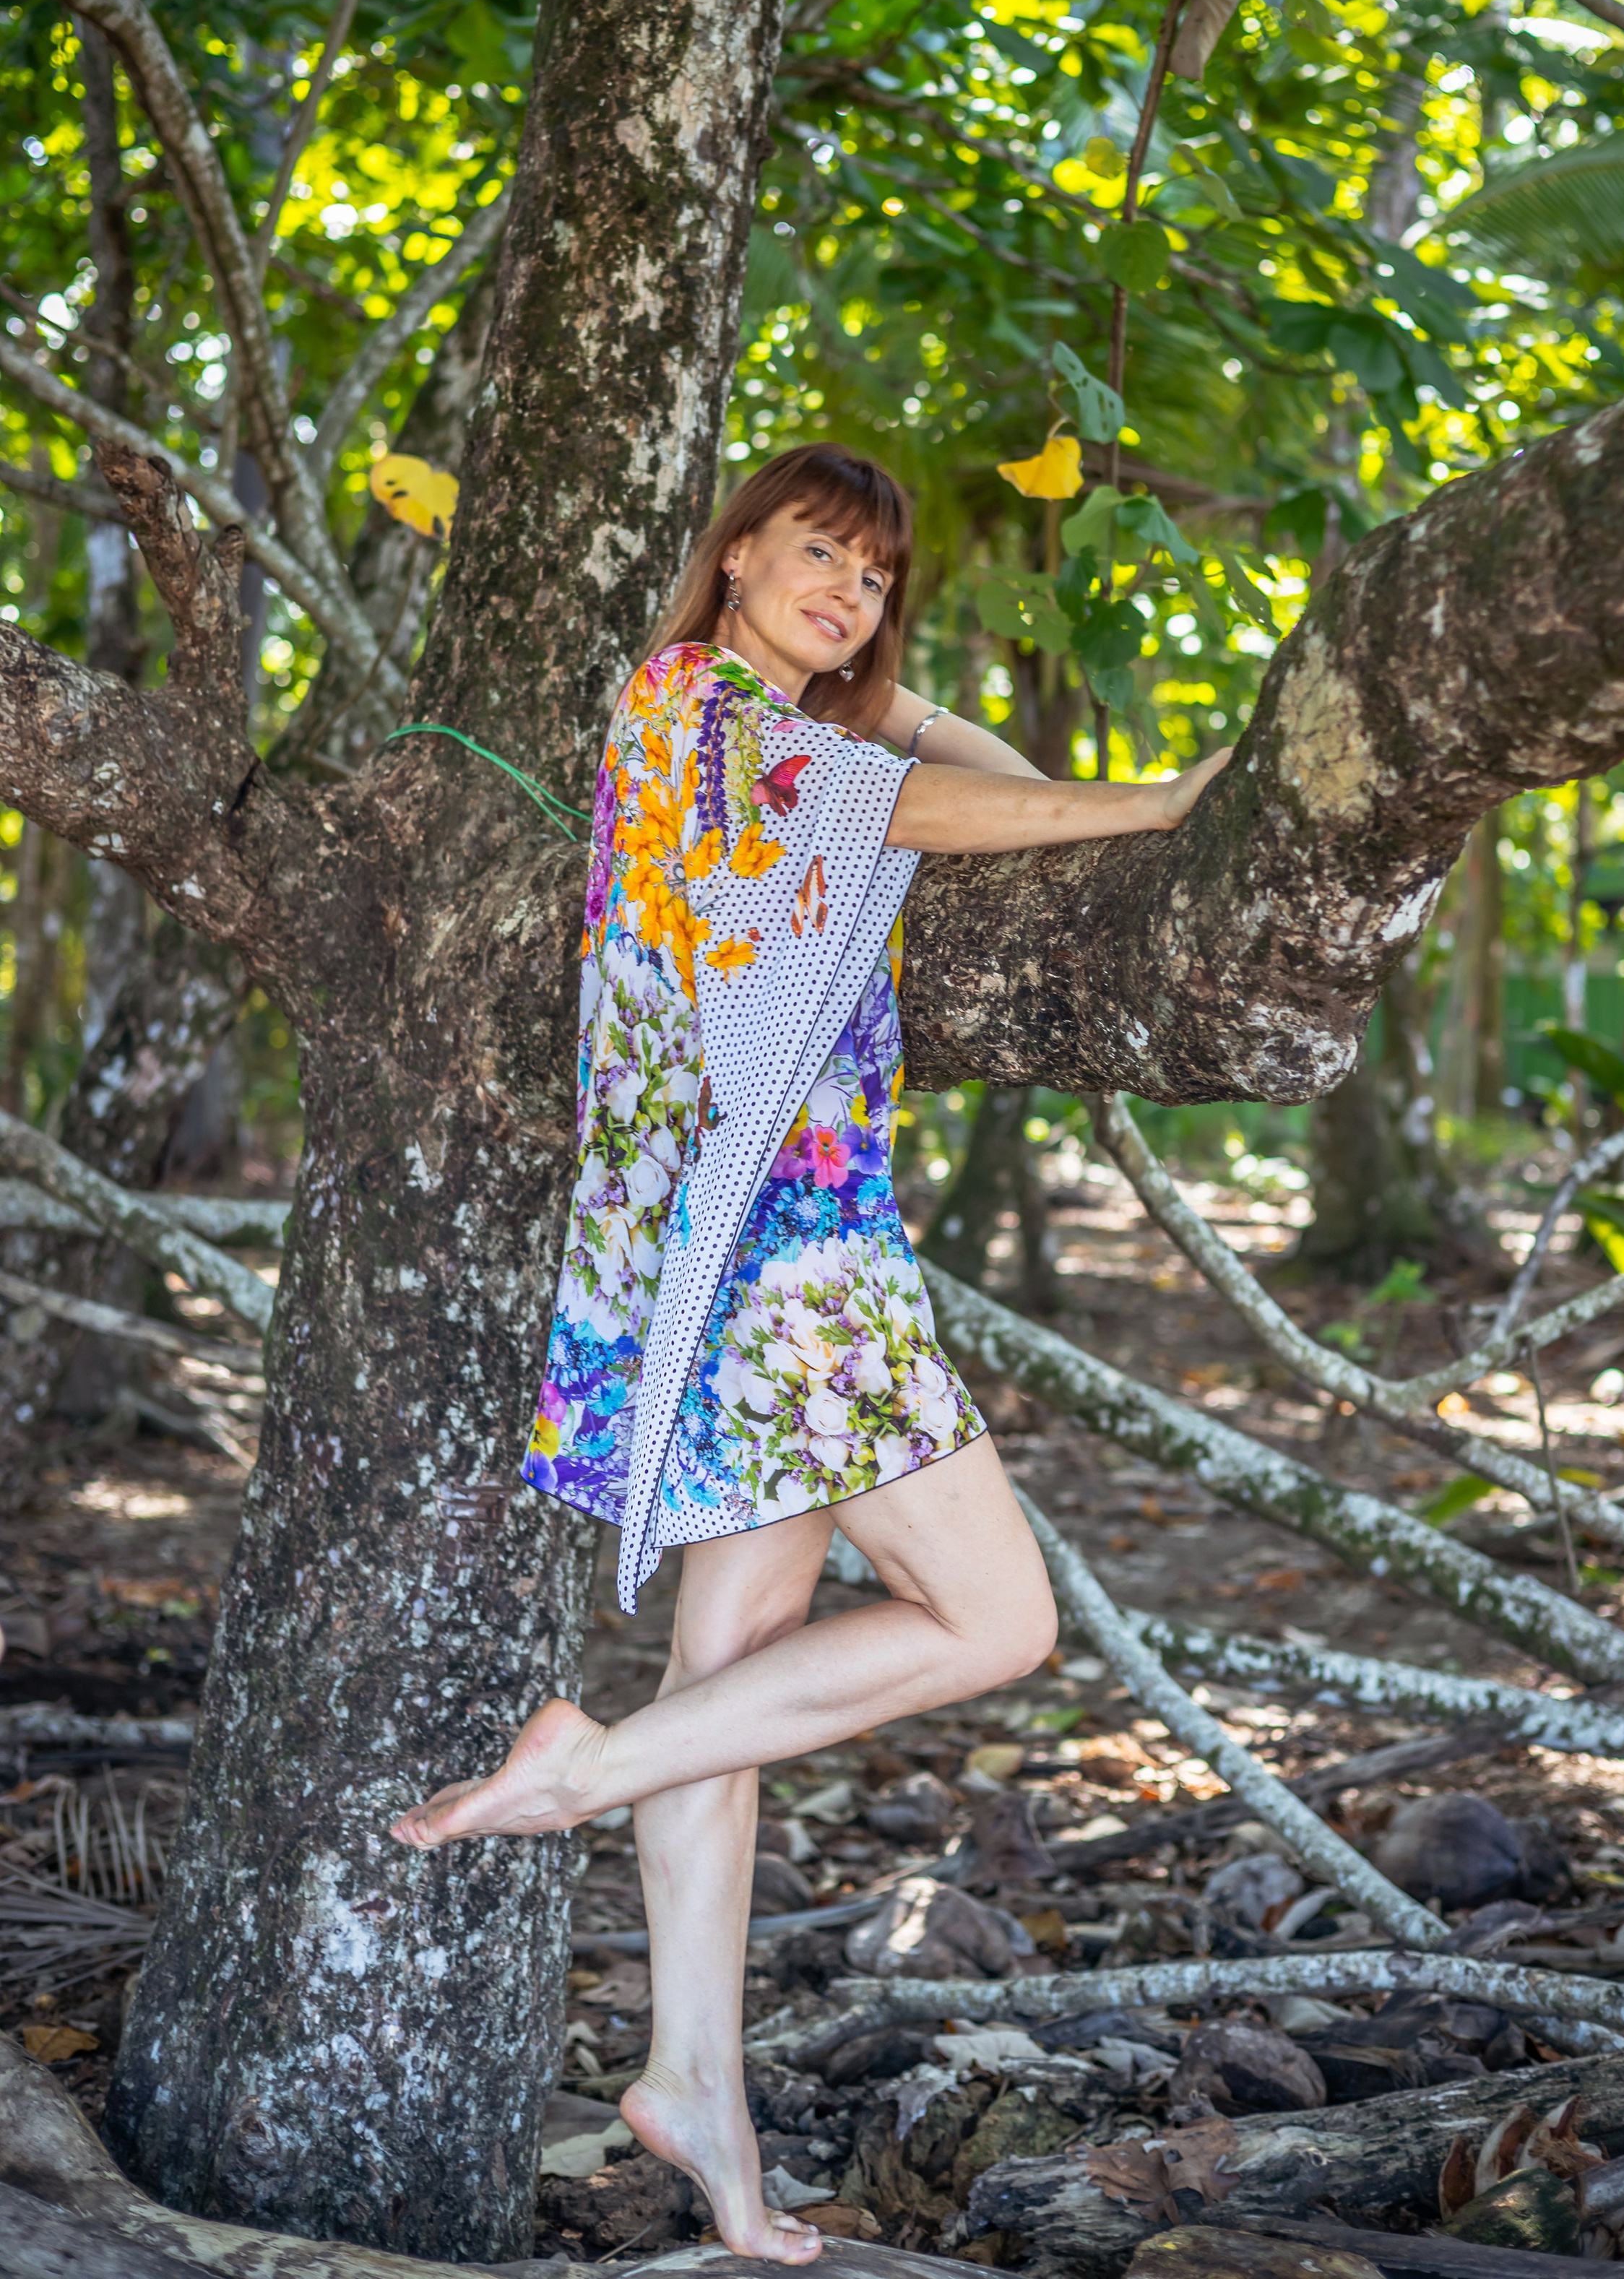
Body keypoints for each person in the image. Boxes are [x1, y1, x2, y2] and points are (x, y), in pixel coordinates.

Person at [391, 443, 1230, 2261]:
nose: (845, 593)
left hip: (721, 1243)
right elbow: (942, 812)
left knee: (742, 1668)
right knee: (995, 1622)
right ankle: (575, 1771)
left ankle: (697, 2085)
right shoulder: (700, 707)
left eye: (873, 579)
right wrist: (1164, 804)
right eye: (815, 555)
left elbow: (963, 770)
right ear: (735, 551)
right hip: (783, 1249)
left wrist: (871, 668)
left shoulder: (770, 718)